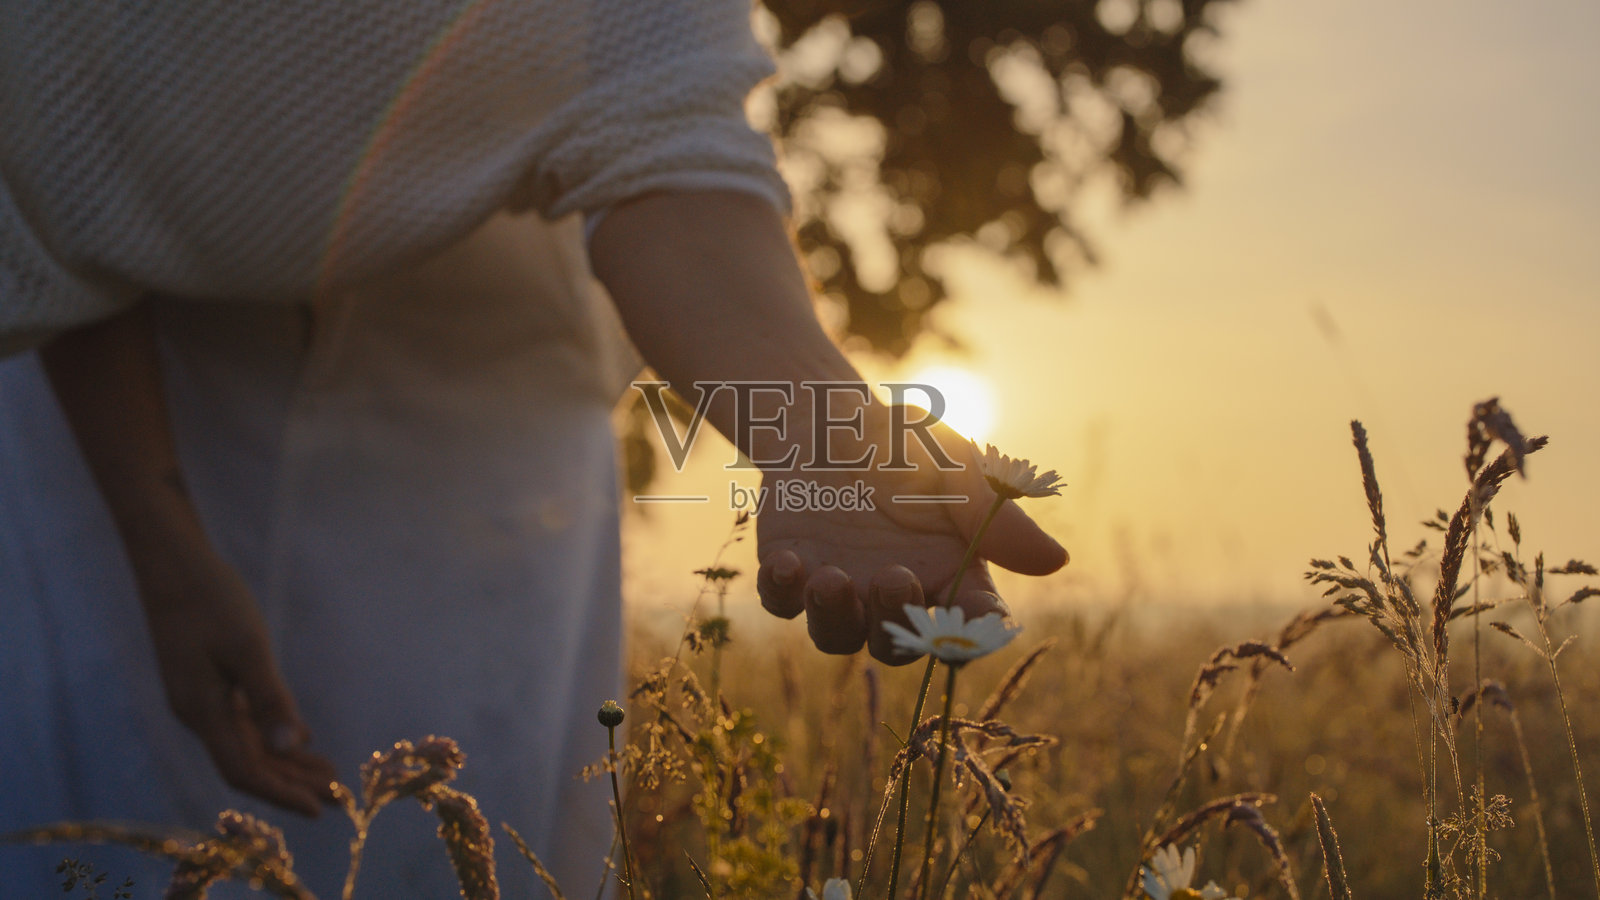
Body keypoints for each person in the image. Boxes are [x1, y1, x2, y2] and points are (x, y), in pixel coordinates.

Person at [0, 3, 1066, 898]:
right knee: (142, 825)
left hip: (503, 435)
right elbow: (56, 157)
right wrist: (156, 533)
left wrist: (820, 433)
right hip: (147, 430)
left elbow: (666, 141)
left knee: (486, 833)